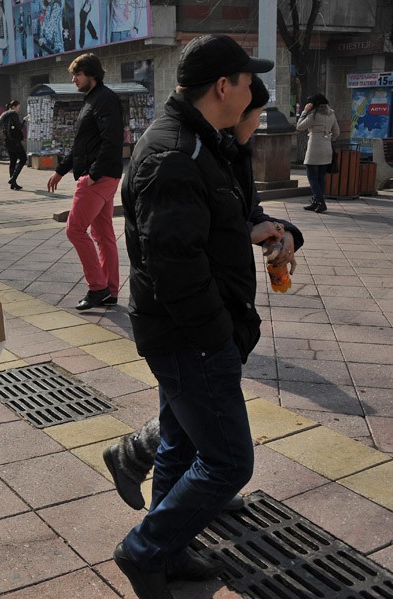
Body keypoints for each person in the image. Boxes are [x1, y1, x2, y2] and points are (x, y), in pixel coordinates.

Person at [115, 34, 273, 598]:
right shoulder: (176, 154)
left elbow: (218, 228)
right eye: (248, 81)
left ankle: (171, 548)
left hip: (190, 331)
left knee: (181, 445)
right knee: (229, 461)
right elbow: (174, 265)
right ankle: (145, 550)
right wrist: (217, 339)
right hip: (190, 336)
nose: (254, 93)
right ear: (224, 87)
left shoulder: (203, 143)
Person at [104, 76, 303, 514]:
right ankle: (155, 535)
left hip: (210, 307)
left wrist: (285, 233)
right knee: (214, 442)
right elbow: (181, 246)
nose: (257, 125)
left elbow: (246, 213)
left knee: (187, 425)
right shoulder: (184, 152)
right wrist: (216, 339)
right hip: (191, 316)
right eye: (255, 115)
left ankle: (162, 498)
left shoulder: (228, 151)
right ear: (227, 96)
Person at [46, 53, 124, 310]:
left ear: (92, 74)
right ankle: (110, 291)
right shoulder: (92, 99)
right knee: (103, 234)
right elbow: (82, 145)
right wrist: (60, 170)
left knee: (74, 230)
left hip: (97, 178)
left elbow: (113, 140)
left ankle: (98, 288)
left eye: (77, 74)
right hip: (101, 176)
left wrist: (93, 174)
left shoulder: (104, 99)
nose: (74, 80)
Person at [296, 93, 339, 214]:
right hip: (327, 149)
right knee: (320, 178)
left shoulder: (313, 115)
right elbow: (337, 132)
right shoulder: (331, 114)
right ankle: (316, 201)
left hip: (314, 149)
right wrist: (328, 139)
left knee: (312, 178)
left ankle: (320, 201)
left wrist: (304, 112)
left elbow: (299, 126)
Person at [0, 100, 28, 190]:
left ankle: (13, 184)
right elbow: (19, 126)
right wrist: (24, 120)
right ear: (13, 107)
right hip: (15, 141)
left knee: (13, 161)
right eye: (18, 107)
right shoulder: (13, 114)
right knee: (23, 159)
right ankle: (13, 179)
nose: (18, 110)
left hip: (7, 141)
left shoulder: (4, 115)